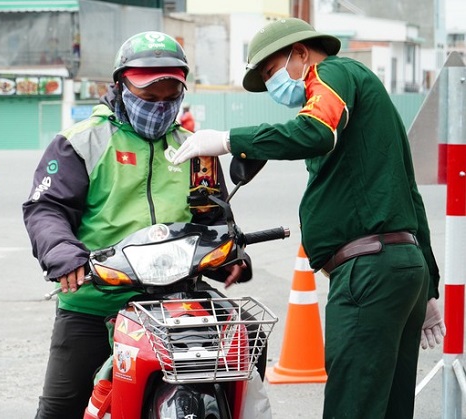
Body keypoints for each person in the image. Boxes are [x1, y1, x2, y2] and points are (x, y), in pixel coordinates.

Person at [172, 18, 443, 419]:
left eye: (271, 71)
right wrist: (428, 286)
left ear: (300, 53)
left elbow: (314, 131)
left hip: (367, 272)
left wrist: (230, 140)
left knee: (352, 407)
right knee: (389, 407)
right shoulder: (364, 103)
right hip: (402, 268)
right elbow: (410, 195)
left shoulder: (332, 73)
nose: (273, 84)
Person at [23, 31, 253, 419]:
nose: (160, 106)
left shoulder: (196, 148)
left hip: (181, 302)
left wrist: (232, 254)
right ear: (120, 86)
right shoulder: (81, 142)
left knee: (246, 345)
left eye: (170, 97)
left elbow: (216, 219)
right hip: (96, 302)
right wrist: (64, 254)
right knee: (60, 408)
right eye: (149, 96)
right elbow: (46, 208)